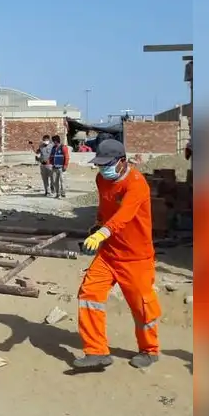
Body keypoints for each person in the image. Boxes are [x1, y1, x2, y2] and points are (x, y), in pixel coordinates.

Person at [73, 139, 160, 370]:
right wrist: (97, 225)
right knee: (89, 295)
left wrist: (101, 234)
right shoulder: (102, 179)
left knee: (142, 307)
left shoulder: (137, 184)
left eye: (107, 165)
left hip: (136, 257)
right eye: (99, 165)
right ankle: (97, 352)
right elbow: (105, 208)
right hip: (109, 253)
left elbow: (124, 216)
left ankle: (149, 350)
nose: (102, 169)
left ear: (122, 162)